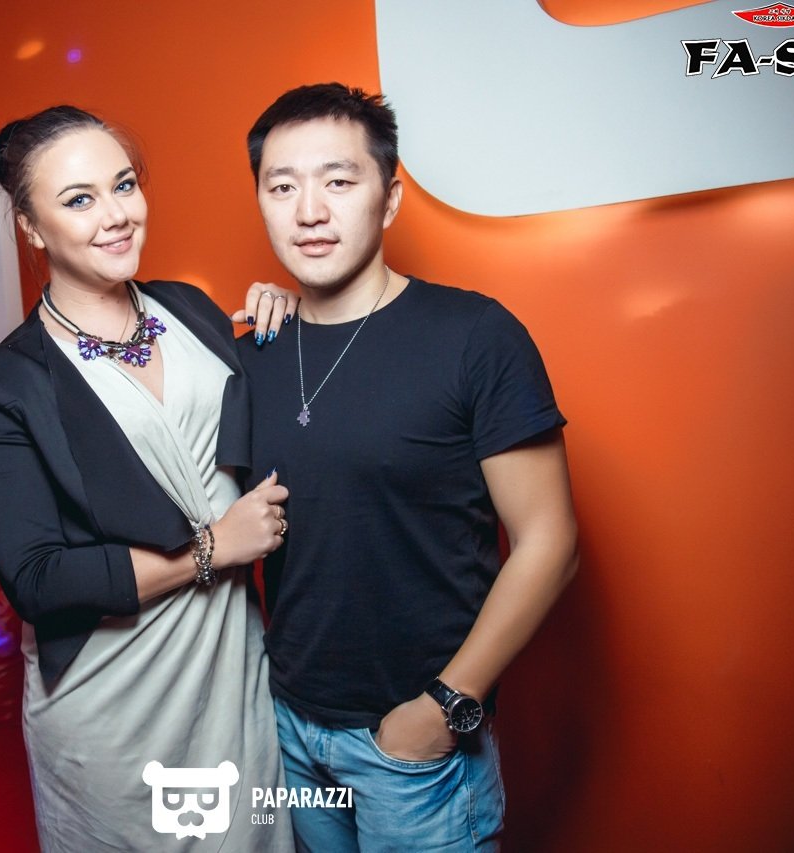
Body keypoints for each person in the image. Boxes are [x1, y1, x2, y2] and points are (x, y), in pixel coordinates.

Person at [236, 83, 580, 852]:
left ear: (389, 199)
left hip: (416, 750)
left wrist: (443, 708)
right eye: (282, 187)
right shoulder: (252, 353)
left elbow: (551, 542)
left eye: (338, 180)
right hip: (289, 728)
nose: (309, 211)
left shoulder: (474, 335)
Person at [0, 105, 297, 851]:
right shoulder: (5, 383)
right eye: (79, 199)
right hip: (115, 703)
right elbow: (37, 580)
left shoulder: (192, 309)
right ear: (32, 227)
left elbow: (255, 428)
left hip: (233, 677)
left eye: (123, 185)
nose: (116, 215)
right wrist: (213, 546)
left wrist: (285, 320)